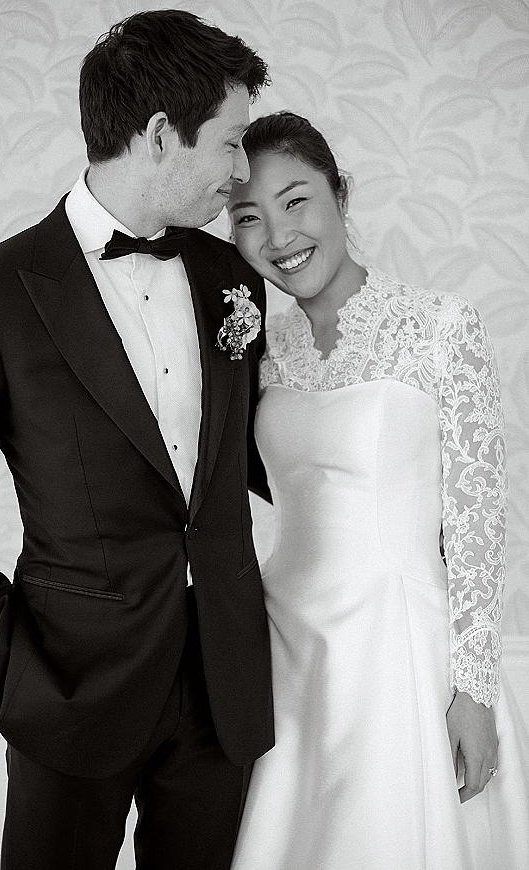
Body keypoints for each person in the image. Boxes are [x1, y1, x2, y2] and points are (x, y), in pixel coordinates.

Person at [0, 11, 274, 870]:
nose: (241, 172)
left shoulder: (231, 279)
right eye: (231, 143)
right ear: (161, 135)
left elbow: (256, 455)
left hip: (224, 687)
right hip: (68, 688)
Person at [227, 111, 529, 870]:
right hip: (283, 653)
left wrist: (474, 689)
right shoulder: (262, 352)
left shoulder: (441, 326)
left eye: (296, 201)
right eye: (249, 217)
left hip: (399, 648)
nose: (278, 236)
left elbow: (477, 519)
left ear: (341, 194)